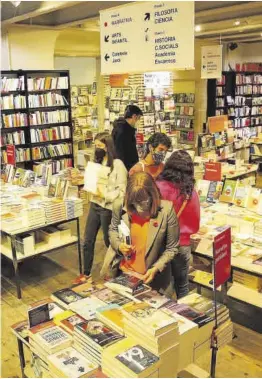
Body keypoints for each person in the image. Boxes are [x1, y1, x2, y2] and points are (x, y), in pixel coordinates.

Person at [108, 171, 180, 296]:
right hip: (124, 274)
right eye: (134, 202)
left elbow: (172, 248)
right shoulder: (119, 205)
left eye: (143, 201)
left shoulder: (166, 211)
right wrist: (119, 246)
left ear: (152, 194)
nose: (139, 207)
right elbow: (113, 230)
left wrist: (156, 268)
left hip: (153, 280)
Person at [156, 150, 200, 299]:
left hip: (161, 244)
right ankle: (185, 317)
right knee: (182, 285)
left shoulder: (157, 187)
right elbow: (195, 223)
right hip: (182, 244)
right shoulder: (190, 192)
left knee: (161, 287)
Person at [83, 132, 127, 276]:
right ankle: (86, 273)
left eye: (100, 146)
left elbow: (122, 191)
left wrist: (106, 195)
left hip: (107, 208)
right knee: (87, 240)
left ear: (108, 146)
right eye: (96, 146)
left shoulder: (118, 165)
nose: (97, 149)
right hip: (95, 204)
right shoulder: (97, 161)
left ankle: (114, 271)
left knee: (109, 242)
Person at [112, 105, 143, 171]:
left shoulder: (127, 129)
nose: (139, 121)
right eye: (139, 118)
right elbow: (119, 154)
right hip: (126, 170)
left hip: (129, 168)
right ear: (134, 116)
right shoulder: (122, 131)